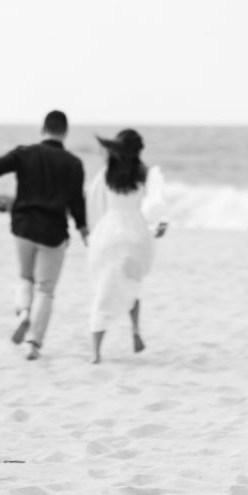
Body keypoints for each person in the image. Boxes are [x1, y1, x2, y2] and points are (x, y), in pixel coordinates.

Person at [0, 110, 88, 361]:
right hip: (53, 231)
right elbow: (76, 202)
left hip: (23, 227)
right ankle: (33, 343)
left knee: (25, 278)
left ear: (43, 129)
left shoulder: (24, 154)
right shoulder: (73, 163)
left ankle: (23, 314)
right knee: (46, 290)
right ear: (65, 132)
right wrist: (83, 229)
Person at [84, 129, 168, 364]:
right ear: (139, 150)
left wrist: (92, 231)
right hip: (136, 237)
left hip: (109, 234)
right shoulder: (144, 173)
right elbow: (155, 201)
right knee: (129, 285)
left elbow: (94, 201)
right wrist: (159, 222)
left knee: (104, 289)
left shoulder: (106, 173)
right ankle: (135, 330)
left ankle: (96, 352)